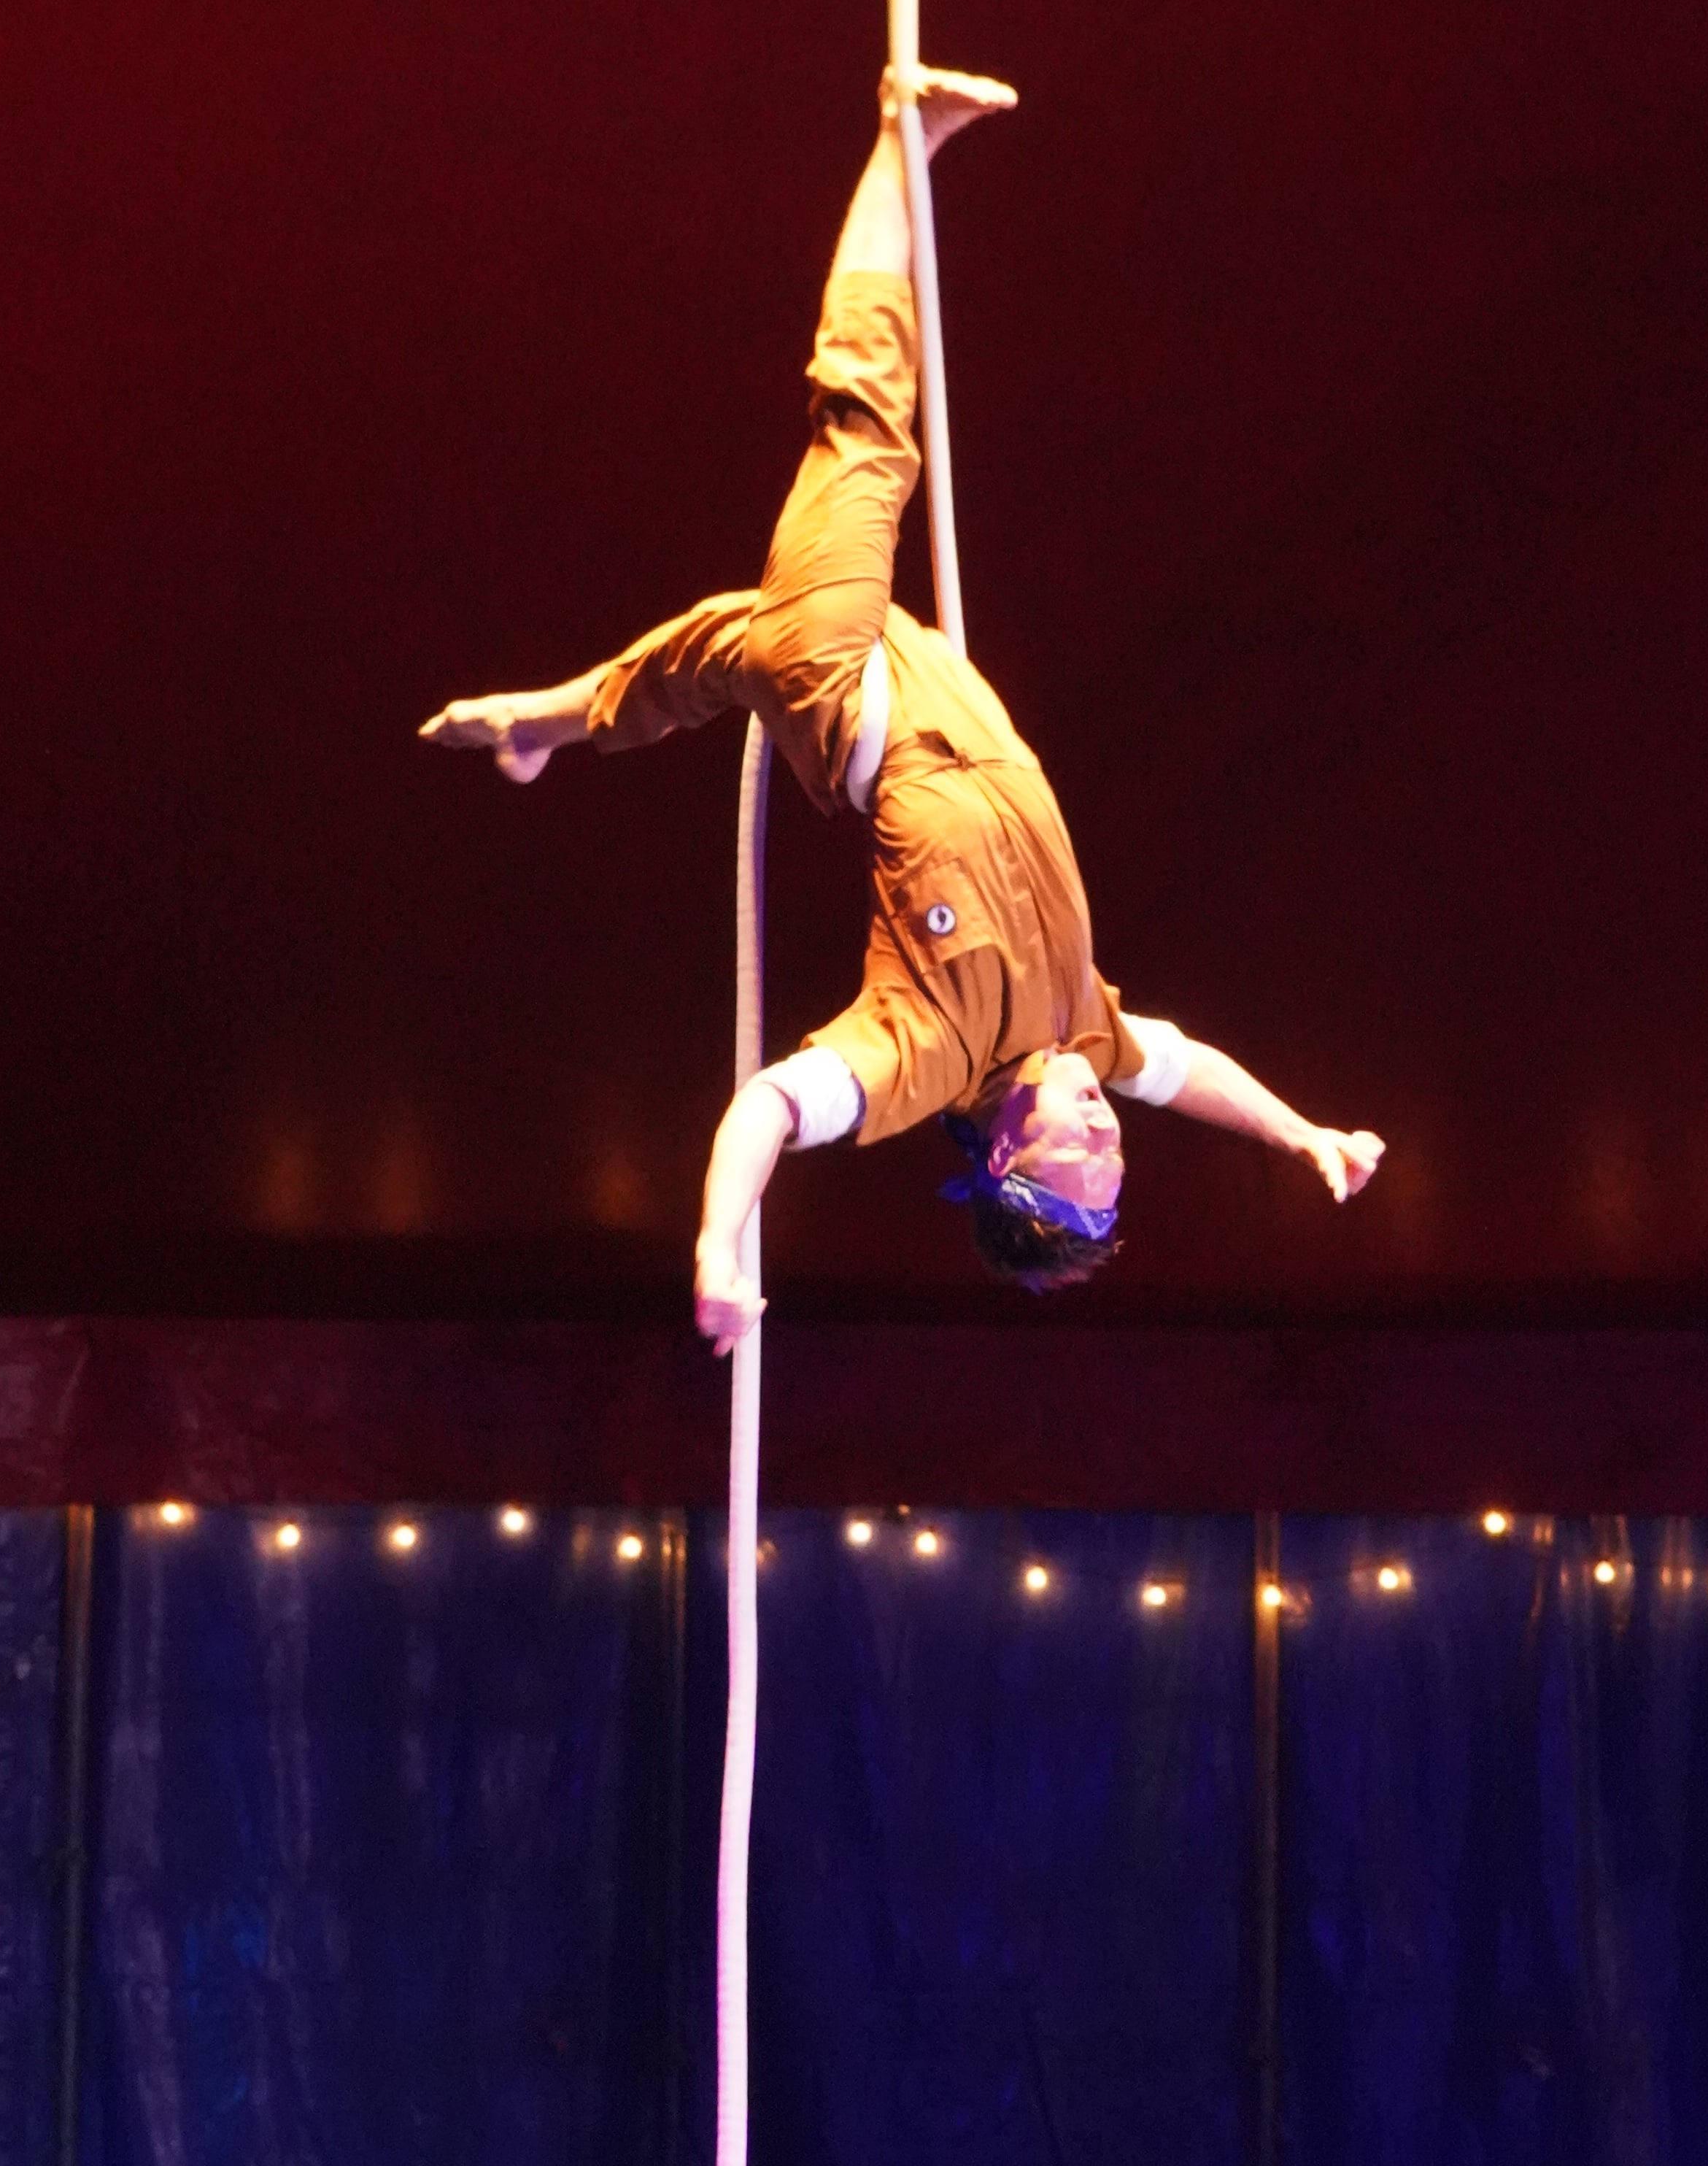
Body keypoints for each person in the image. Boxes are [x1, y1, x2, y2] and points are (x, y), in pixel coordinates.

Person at [424, 74, 1386, 1344]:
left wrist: (719, 1247)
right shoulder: (1080, 1033)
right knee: (727, 641)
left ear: (1000, 1158)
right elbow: (1186, 1068)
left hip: (845, 689)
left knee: (866, 424)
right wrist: (1300, 1130)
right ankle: (542, 730)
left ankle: (901, 137)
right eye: (1113, 1142)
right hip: (899, 661)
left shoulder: (922, 1049)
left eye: (1076, 1144)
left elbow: (770, 1105)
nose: (1102, 1120)